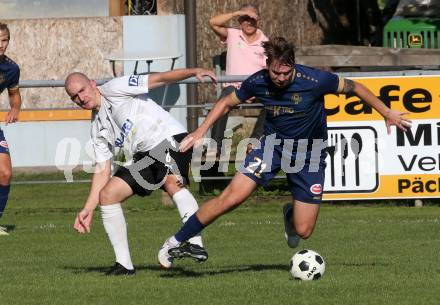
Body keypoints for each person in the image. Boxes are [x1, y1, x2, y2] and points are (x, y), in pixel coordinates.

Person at [158, 37, 412, 266]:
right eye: (275, 72)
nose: (279, 78)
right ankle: (174, 242)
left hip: (309, 154)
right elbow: (226, 102)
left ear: (293, 65)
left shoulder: (315, 80)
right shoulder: (257, 81)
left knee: (303, 231)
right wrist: (201, 130)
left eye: (285, 72)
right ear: (268, 65)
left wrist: (386, 112)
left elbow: (355, 87)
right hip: (271, 148)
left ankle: (289, 214)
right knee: (230, 199)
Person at [64, 68, 216, 275]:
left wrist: (193, 72)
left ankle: (195, 242)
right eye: (74, 97)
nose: (80, 98)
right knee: (108, 195)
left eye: (82, 90)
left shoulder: (116, 88)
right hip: (144, 155)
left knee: (172, 183)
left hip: (168, 138)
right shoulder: (97, 126)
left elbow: (160, 78)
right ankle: (124, 265)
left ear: (92, 83)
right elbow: (102, 170)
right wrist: (88, 209)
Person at [208, 3, 268, 156]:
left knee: (273, 103)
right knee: (222, 102)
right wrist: (236, 13)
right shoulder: (233, 34)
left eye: (252, 18)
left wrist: (257, 88)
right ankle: (215, 146)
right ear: (239, 21)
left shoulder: (266, 43)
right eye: (244, 19)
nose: (248, 22)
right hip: (234, 86)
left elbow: (269, 70)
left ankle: (254, 142)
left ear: (258, 20)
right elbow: (212, 22)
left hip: (257, 87)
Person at [0, 23, 21, 236]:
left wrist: (15, 107)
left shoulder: (11, 68)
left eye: (4, 40)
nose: (1, 45)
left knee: (5, 173)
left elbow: (14, 93)